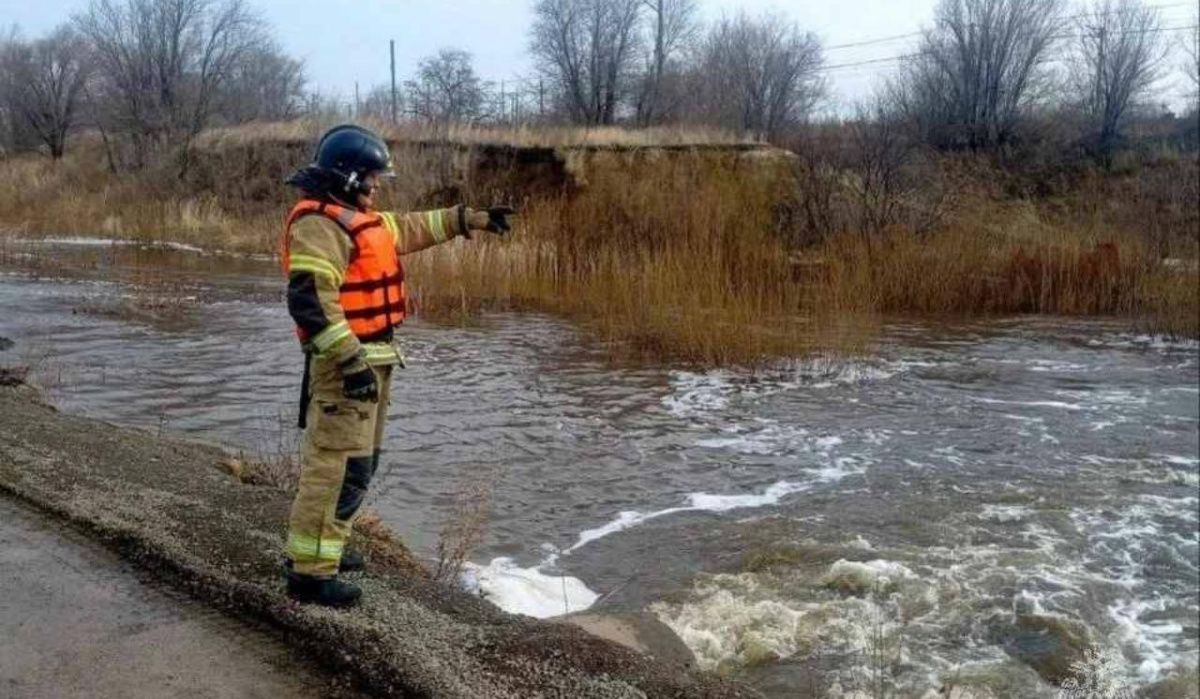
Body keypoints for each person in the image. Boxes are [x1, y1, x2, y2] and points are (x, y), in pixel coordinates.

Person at [280, 124, 512, 607]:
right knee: (335, 467)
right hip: (346, 366)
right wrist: (350, 363)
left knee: (359, 466)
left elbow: (411, 227)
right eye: (372, 176)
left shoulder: (357, 218)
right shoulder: (318, 225)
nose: (377, 185)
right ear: (347, 177)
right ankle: (309, 573)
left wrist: (471, 219)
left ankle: (328, 550)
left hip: (373, 361)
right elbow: (311, 305)